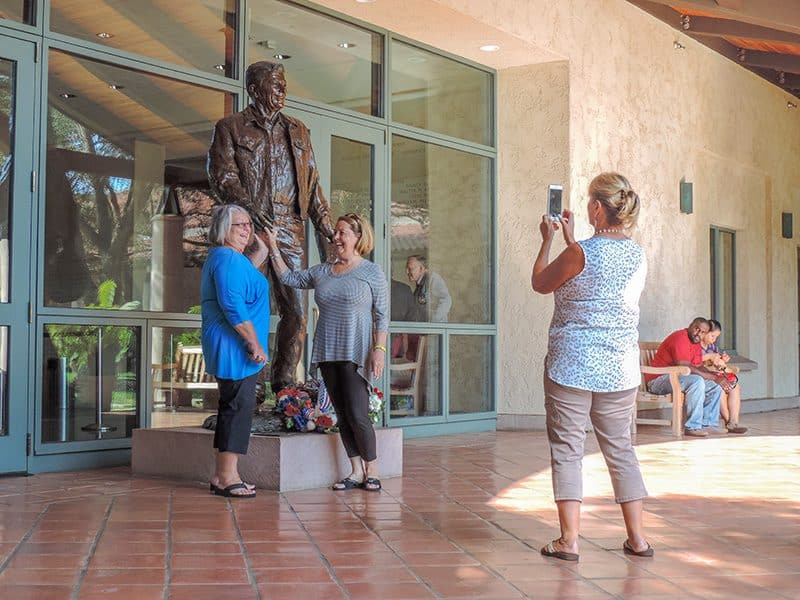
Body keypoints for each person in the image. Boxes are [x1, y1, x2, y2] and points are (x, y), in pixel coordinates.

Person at [531, 172, 653, 561]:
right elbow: (600, 280)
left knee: (568, 448)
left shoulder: (579, 252)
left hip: (573, 364)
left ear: (598, 208)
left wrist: (549, 240)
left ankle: (568, 541)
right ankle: (638, 539)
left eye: (589, 202)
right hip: (619, 367)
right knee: (621, 449)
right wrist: (570, 242)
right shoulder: (637, 254)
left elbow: (540, 282)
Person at [208, 60, 335, 393]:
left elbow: (312, 185)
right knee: (246, 306)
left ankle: (284, 385)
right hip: (250, 231)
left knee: (296, 311)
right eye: (275, 83)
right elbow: (223, 176)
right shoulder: (231, 127)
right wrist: (251, 210)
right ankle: (250, 387)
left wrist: (326, 225)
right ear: (254, 89)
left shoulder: (299, 130)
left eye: (284, 83)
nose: (283, 89)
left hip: (290, 230)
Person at [264, 213, 389, 492]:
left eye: (343, 232)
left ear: (358, 237)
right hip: (327, 350)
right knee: (342, 414)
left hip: (357, 353)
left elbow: (382, 316)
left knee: (358, 413)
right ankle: (355, 471)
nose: (336, 237)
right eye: (336, 233)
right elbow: (288, 276)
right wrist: (272, 245)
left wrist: (378, 350)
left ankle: (372, 468)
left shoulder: (371, 272)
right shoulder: (322, 272)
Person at [201, 204, 270, 498]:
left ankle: (224, 474)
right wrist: (253, 343)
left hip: (237, 344)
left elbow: (248, 272)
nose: (246, 229)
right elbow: (232, 306)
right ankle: (227, 476)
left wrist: (265, 245)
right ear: (222, 230)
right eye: (239, 225)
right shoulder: (227, 260)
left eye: (248, 224)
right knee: (237, 408)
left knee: (235, 406)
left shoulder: (234, 259)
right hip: (235, 345)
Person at [646, 317, 732, 437]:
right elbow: (685, 366)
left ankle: (708, 423)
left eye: (703, 332)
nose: (698, 333)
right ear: (690, 325)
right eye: (697, 329)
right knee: (697, 381)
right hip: (658, 380)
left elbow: (698, 366)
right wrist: (713, 377)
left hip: (677, 378)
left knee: (714, 386)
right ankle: (692, 426)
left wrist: (715, 376)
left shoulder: (696, 343)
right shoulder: (680, 337)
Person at [701, 319, 747, 434]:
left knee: (735, 387)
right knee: (720, 387)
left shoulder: (712, 347)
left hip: (716, 375)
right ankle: (728, 423)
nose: (714, 340)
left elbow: (717, 364)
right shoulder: (696, 347)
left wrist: (722, 361)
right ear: (704, 332)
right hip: (704, 378)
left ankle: (734, 421)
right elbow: (698, 365)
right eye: (712, 336)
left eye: (716, 337)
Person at [406, 255, 451, 322]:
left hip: (434, 329)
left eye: (410, 269)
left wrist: (433, 322)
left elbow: (446, 300)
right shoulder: (419, 284)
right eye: (407, 269)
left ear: (421, 269)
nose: (407, 272)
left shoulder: (434, 279)